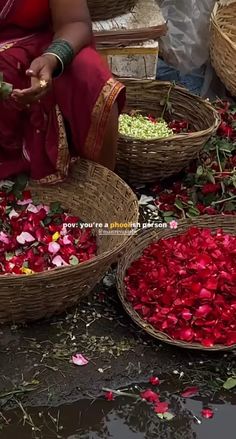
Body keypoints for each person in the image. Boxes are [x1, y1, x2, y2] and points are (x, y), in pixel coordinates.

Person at [0, 0, 125, 183]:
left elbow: (75, 22)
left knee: (90, 75)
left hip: (41, 49)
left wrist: (53, 59)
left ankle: (101, 189)